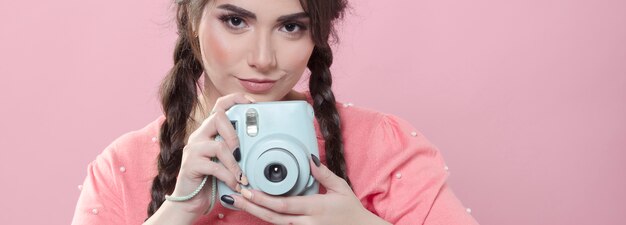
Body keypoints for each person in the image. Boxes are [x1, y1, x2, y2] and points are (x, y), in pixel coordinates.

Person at [71, 0, 480, 224]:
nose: (263, 59)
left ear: (317, 34)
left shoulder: (381, 147)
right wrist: (177, 210)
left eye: (290, 27)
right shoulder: (122, 168)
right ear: (191, 17)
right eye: (235, 20)